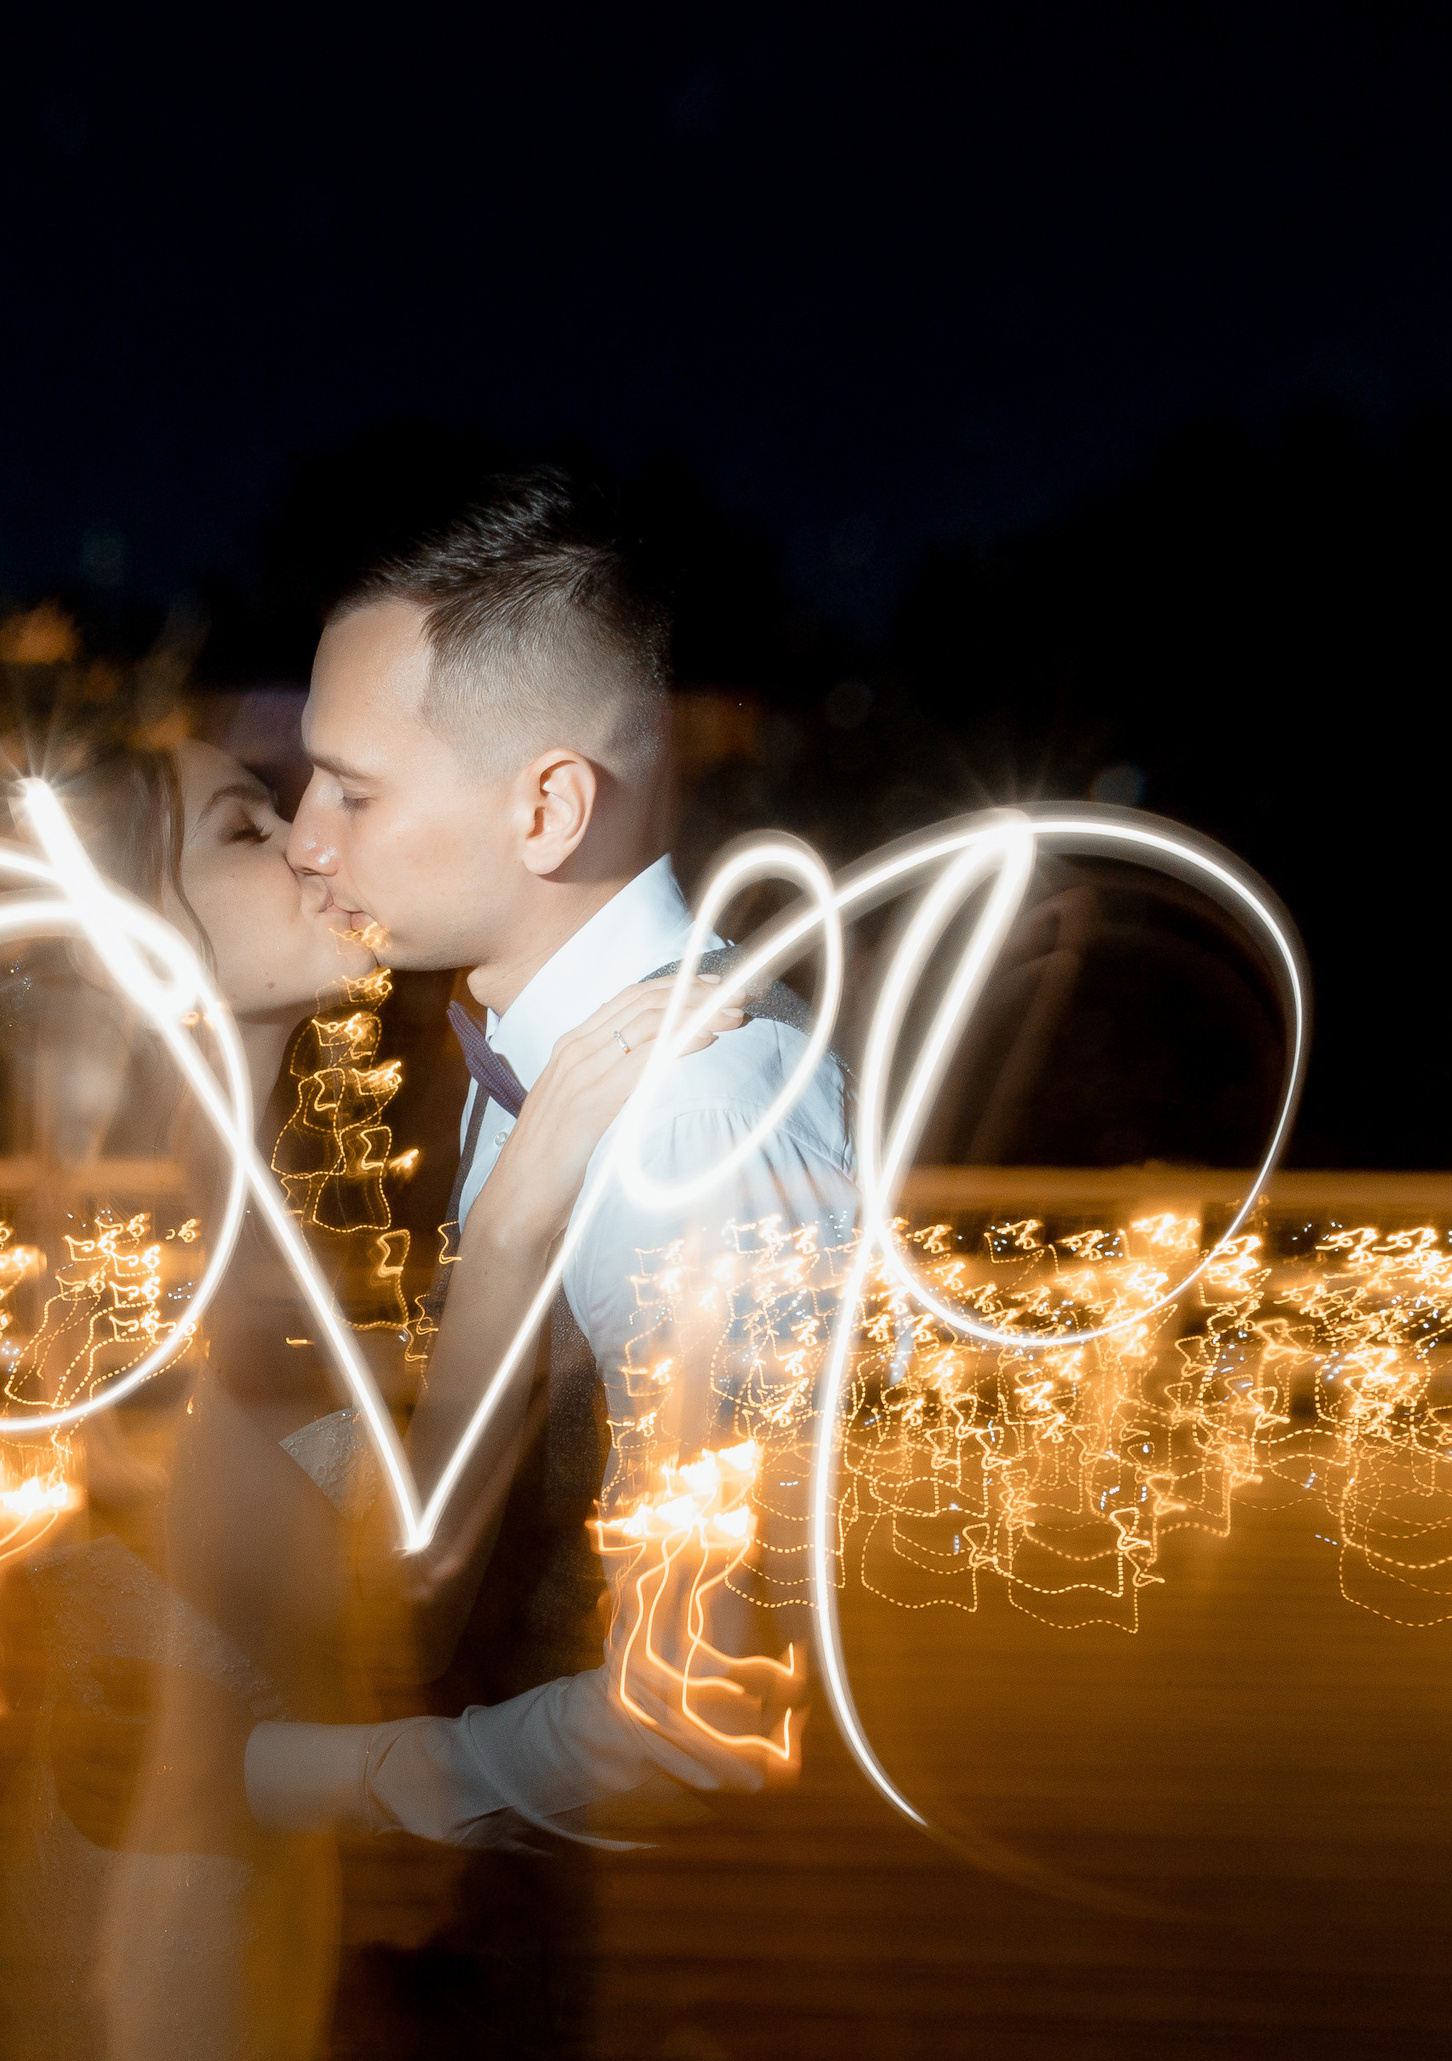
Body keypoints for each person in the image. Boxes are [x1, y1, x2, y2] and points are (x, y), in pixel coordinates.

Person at [0, 730, 736, 2061]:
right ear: (121, 936)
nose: (316, 846)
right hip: (144, 1953)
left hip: (242, 1903)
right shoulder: (127, 1248)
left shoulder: (228, 1199)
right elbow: (398, 1588)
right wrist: (519, 1214)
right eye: (246, 830)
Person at [245, 466, 857, 1858]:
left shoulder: (688, 1113)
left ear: (548, 811)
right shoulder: (544, 1052)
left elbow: (696, 1694)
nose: (306, 840)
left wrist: (294, 1779)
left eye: (352, 790)